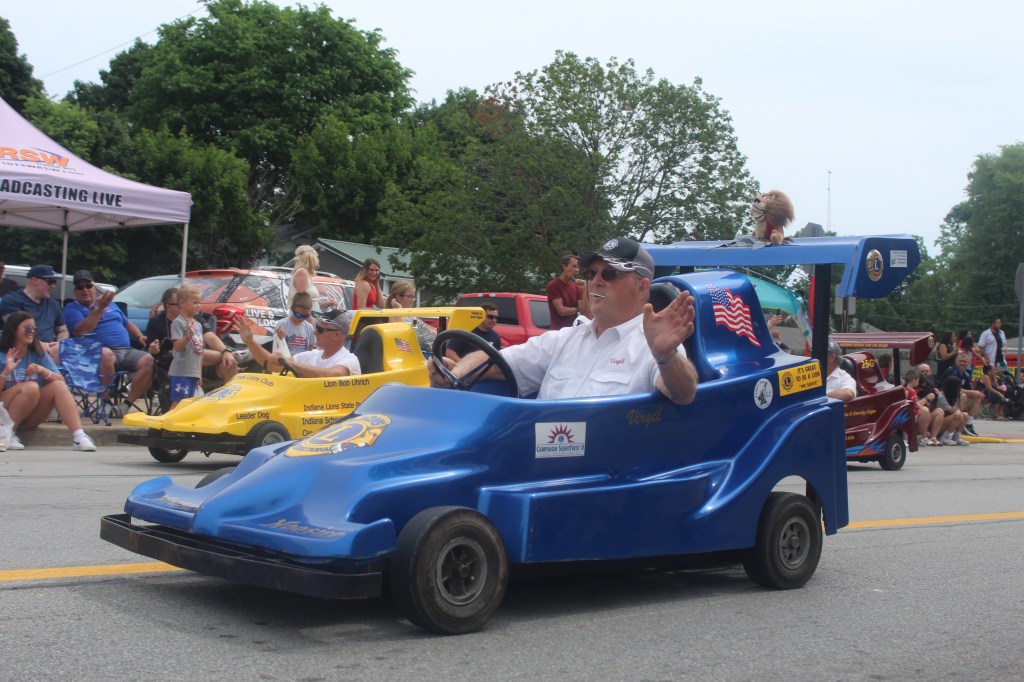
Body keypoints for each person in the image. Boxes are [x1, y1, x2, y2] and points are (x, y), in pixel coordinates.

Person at [432, 237, 698, 404]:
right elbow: (494, 362)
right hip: (539, 461)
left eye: (610, 274)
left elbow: (682, 392)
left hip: (603, 470)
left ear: (641, 288)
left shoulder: (652, 345)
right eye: (592, 273)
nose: (596, 281)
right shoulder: (564, 340)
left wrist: (665, 357)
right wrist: (454, 373)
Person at [0, 312, 96, 451]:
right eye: (27, 328)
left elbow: (61, 380)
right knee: (31, 387)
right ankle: (7, 434)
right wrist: (5, 372)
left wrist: (43, 370)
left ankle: (79, 436)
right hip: (3, 413)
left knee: (58, 386)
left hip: (29, 415)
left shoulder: (38, 352)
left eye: (34, 329)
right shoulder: (2, 354)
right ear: (13, 329)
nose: (31, 332)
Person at [63, 270, 153, 412]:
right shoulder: (72, 308)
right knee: (106, 354)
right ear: (75, 291)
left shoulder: (111, 304)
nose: (85, 290)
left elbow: (126, 323)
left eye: (88, 286)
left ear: (94, 288)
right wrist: (99, 309)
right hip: (95, 353)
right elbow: (80, 331)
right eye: (80, 287)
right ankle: (104, 402)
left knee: (149, 360)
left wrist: (139, 336)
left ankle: (126, 405)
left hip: (126, 350)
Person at [144, 287, 240, 384]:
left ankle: (230, 392)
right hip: (176, 365)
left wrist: (225, 352)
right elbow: (152, 350)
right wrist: (153, 349)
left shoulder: (194, 317)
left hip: (201, 362)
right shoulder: (157, 322)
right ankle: (238, 355)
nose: (197, 306)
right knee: (195, 352)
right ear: (169, 307)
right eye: (180, 303)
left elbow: (210, 336)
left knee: (230, 364)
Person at [233, 308, 361, 377]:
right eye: (316, 328)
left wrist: (289, 363)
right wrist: (250, 342)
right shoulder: (311, 355)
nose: (315, 332)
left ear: (336, 335)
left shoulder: (349, 360)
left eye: (320, 330)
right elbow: (272, 365)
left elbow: (331, 376)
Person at [0, 264, 67, 361]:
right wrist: (40, 345)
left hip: (49, 353)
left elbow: (63, 330)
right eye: (50, 281)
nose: (53, 286)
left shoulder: (53, 304)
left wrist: (59, 344)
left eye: (54, 282)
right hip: (20, 355)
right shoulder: (11, 301)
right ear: (35, 280)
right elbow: (16, 330)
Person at [168, 285, 206, 409]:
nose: (198, 305)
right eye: (195, 302)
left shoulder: (198, 325)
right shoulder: (178, 322)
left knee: (188, 405)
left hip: (193, 372)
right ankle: (168, 421)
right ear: (182, 303)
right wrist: (188, 337)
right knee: (178, 402)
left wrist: (199, 374)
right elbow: (177, 346)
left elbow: (199, 352)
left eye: (199, 302)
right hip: (181, 372)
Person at [941, 352, 984, 436]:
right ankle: (959, 422)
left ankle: (968, 424)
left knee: (978, 397)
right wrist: (971, 392)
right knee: (964, 396)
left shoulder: (966, 373)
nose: (962, 363)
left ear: (968, 363)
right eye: (960, 361)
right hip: (948, 398)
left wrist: (976, 393)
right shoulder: (951, 371)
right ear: (956, 361)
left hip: (958, 396)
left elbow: (969, 389)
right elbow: (949, 389)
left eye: (964, 361)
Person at [546, 254, 588, 330]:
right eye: (574, 266)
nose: (577, 270)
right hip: (559, 332)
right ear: (564, 266)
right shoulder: (553, 285)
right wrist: (577, 309)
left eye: (578, 267)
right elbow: (562, 311)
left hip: (574, 331)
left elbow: (583, 311)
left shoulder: (576, 287)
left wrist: (585, 288)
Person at [290, 244, 333, 312]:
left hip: (309, 314)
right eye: (316, 257)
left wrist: (327, 304)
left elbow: (312, 302)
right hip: (304, 315)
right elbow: (302, 301)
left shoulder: (306, 274)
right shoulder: (302, 272)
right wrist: (308, 316)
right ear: (311, 259)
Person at [935, 375, 970, 446]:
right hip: (940, 423)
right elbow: (952, 411)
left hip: (949, 419)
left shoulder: (954, 396)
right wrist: (958, 398)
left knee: (965, 415)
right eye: (959, 387)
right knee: (958, 416)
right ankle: (945, 437)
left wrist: (962, 399)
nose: (960, 389)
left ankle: (956, 436)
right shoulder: (942, 396)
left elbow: (960, 410)